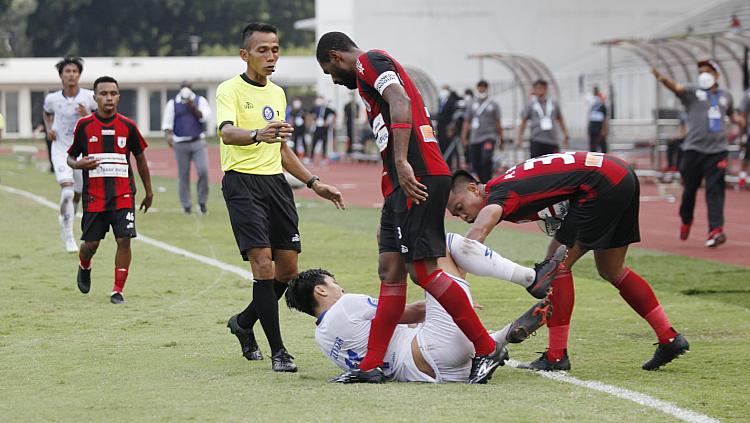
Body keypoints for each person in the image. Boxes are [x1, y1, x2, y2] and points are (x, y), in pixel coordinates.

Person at [316, 31, 505, 384]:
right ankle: (371, 364)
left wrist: (402, 162)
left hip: (417, 175)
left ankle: (486, 346)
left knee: (422, 270)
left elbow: (399, 100)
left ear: (335, 56)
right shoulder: (365, 74)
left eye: (330, 72)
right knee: (390, 269)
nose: (334, 80)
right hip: (399, 183)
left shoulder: (368, 60)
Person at [447, 152, 689, 371]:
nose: (462, 216)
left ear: (473, 189)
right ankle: (669, 338)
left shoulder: (498, 193)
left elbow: (474, 239)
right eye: (456, 214)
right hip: (618, 173)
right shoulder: (504, 184)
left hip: (601, 182)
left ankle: (556, 356)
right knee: (611, 269)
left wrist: (456, 286)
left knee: (555, 267)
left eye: (460, 207)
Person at [217, 23, 344, 373]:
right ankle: (279, 352)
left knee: (288, 272)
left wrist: (314, 182)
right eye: (263, 50)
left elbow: (282, 148)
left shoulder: (278, 94)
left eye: (275, 49)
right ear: (245, 55)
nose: (271, 56)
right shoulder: (229, 90)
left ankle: (243, 322)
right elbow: (227, 133)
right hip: (242, 184)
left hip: (276, 185)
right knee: (263, 265)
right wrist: (258, 133)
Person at [284, 237, 561, 383]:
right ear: (320, 290)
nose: (340, 288)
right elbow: (409, 312)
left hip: (434, 375)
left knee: (435, 317)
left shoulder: (322, 338)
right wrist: (451, 301)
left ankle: (503, 335)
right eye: (334, 284)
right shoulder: (347, 305)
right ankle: (530, 277)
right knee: (441, 245)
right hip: (433, 348)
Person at [67, 76, 153, 305]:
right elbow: (70, 156)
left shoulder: (128, 126)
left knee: (124, 239)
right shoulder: (84, 126)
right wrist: (78, 164)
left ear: (118, 97)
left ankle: (117, 290)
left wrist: (149, 191)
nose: (109, 98)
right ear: (95, 97)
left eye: (113, 94)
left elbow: (141, 159)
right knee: (90, 245)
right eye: (103, 94)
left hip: (124, 194)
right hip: (95, 197)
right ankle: (84, 265)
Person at [652, 59, 745, 247]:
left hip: (717, 152)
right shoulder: (693, 92)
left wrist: (740, 121)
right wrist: (661, 78)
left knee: (715, 191)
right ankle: (686, 220)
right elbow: (676, 88)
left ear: (717, 74)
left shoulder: (725, 96)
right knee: (690, 191)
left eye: (708, 71)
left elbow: (732, 115)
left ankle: (716, 230)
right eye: (701, 71)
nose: (704, 74)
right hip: (693, 151)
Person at [43, 56, 98, 252]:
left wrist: (87, 116)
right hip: (60, 150)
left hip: (82, 152)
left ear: (79, 75)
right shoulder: (52, 99)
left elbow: (99, 121)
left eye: (75, 71)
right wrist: (49, 128)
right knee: (66, 191)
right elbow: (46, 112)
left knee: (77, 195)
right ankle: (68, 236)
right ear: (61, 76)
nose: (71, 75)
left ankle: (66, 219)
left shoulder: (90, 97)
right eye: (67, 71)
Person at [161, 81, 211, 215]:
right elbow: (167, 123)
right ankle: (186, 204)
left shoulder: (199, 100)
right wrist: (168, 136)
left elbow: (204, 117)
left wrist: (191, 105)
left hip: (197, 141)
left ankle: (202, 202)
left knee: (203, 171)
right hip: (180, 143)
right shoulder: (173, 103)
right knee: (183, 175)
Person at [461, 80, 504, 183]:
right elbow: (467, 121)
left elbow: (497, 122)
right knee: (475, 162)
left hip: (489, 136)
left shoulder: (493, 104)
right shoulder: (472, 103)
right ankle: (483, 181)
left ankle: (488, 179)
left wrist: (501, 137)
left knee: (486, 157)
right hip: (475, 138)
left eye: (484, 87)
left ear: (487, 88)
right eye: (480, 87)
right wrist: (464, 137)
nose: (482, 89)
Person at [517, 80, 570, 159]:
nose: (540, 90)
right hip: (537, 139)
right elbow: (524, 121)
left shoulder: (553, 103)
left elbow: (560, 119)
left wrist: (565, 134)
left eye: (542, 88)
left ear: (546, 89)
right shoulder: (531, 104)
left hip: (552, 139)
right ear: (534, 90)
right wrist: (519, 137)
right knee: (536, 164)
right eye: (538, 88)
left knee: (553, 164)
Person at [309, 96, 336, 165]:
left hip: (324, 128)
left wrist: (328, 122)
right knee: (314, 142)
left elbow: (333, 114)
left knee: (324, 143)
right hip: (317, 128)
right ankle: (311, 158)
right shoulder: (315, 109)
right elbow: (310, 114)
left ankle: (323, 158)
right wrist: (312, 121)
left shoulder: (327, 109)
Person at [587, 86, 608, 153]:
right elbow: (590, 117)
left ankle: (604, 158)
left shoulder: (602, 105)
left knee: (602, 143)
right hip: (593, 126)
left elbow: (605, 118)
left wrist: (604, 129)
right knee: (593, 145)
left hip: (599, 126)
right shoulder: (592, 104)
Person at [739, 87, 750, 189]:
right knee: (746, 156)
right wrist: (742, 135)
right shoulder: (748, 94)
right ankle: (742, 178)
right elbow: (743, 115)